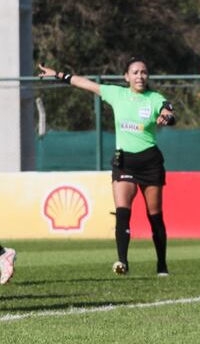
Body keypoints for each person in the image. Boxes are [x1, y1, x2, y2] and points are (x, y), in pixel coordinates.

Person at [38, 58, 175, 276]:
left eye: (144, 72)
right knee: (122, 212)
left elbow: (167, 109)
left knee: (154, 215)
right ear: (126, 77)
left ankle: (162, 265)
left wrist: (166, 116)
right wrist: (59, 75)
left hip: (150, 162)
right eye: (135, 72)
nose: (140, 76)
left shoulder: (154, 98)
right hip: (124, 162)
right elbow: (85, 84)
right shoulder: (116, 94)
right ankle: (122, 262)